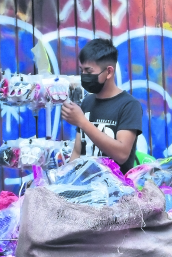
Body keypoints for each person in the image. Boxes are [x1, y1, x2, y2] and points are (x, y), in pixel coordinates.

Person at [61, 38, 145, 171]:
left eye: (89, 71)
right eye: (82, 70)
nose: (84, 76)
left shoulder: (129, 105)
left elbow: (122, 154)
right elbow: (77, 151)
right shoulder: (87, 102)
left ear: (109, 72)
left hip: (115, 190)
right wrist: (66, 177)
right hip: (85, 187)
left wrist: (82, 122)